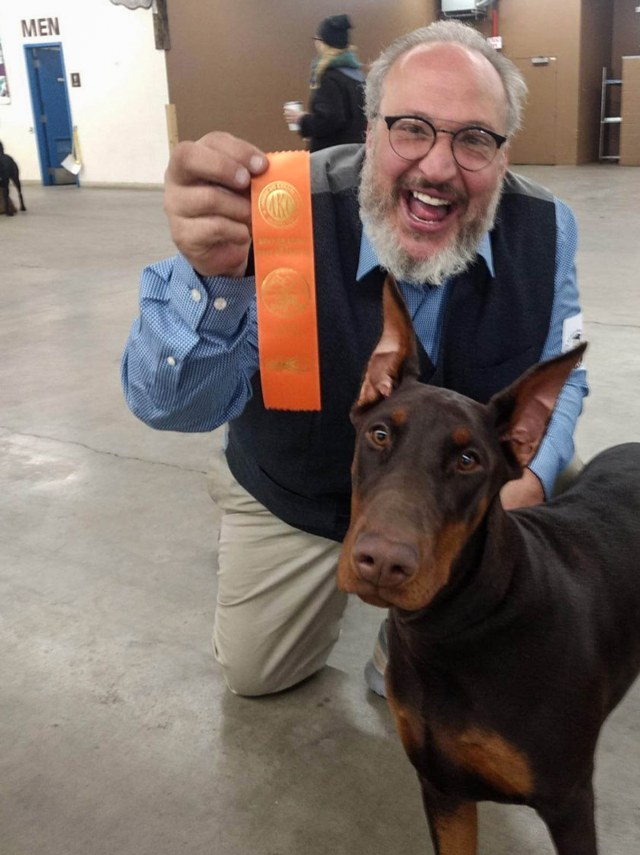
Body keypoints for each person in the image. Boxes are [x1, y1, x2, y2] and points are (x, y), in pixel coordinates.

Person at [121, 20, 588, 700]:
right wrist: (216, 282)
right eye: (411, 128)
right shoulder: (281, 211)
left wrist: (530, 482)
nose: (436, 167)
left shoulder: (549, 229)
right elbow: (168, 408)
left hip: (449, 499)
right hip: (300, 490)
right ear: (369, 133)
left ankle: (413, 624)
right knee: (257, 676)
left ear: (503, 156)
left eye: (473, 139)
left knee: (563, 467)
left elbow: (563, 376)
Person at [283, 13, 366, 152]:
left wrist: (302, 120)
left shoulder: (329, 78)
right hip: (356, 153)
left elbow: (330, 120)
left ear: (322, 43)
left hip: (331, 158)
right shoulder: (358, 75)